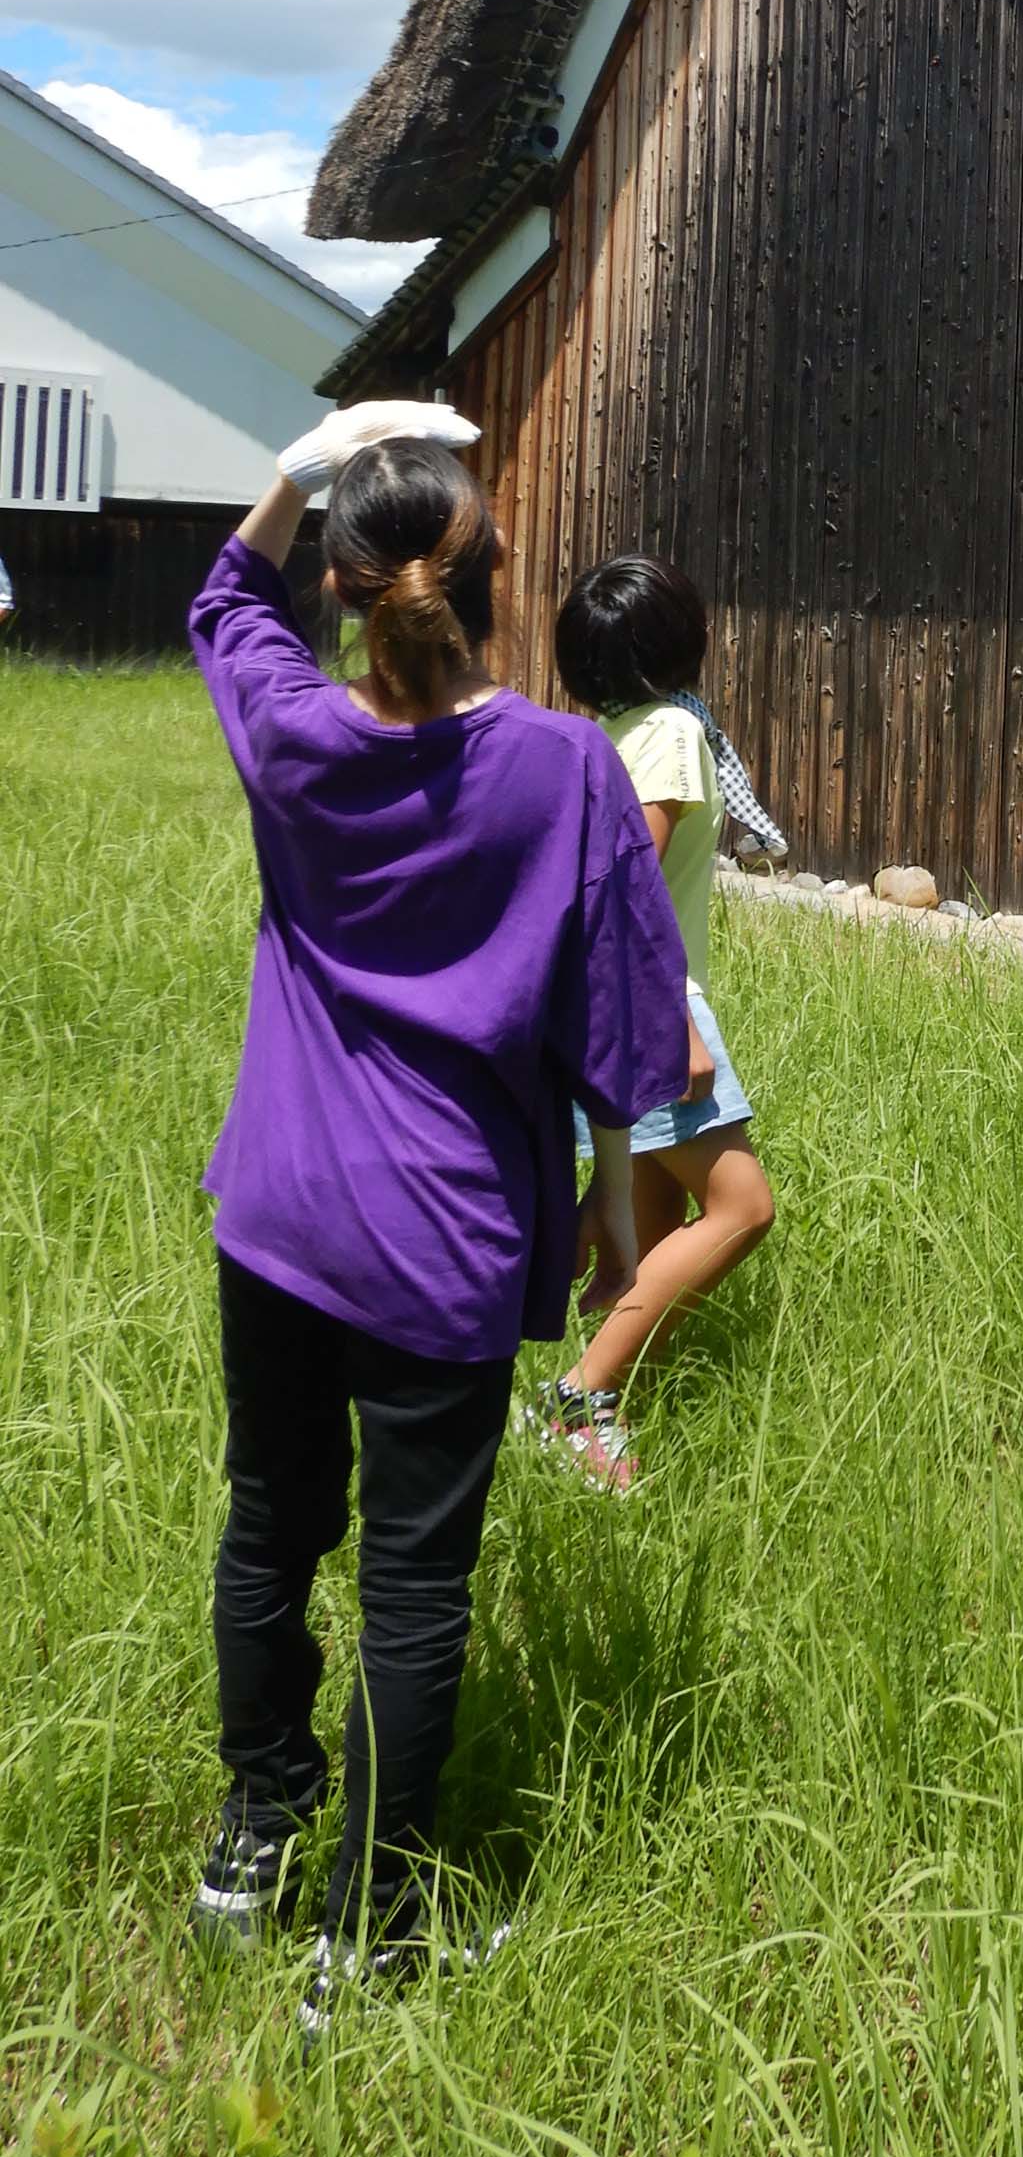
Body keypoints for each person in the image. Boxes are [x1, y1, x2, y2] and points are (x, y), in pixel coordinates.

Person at [186, 405, 689, 2020]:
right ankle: (368, 1930)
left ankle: (251, 1836)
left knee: (271, 1525)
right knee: (412, 1582)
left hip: (275, 1211)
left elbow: (221, 603)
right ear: (489, 578)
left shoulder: (295, 734)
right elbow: (629, 1043)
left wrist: (306, 452)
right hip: (444, 1236)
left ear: (347, 584)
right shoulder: (565, 766)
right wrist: (608, 1197)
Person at [540, 558, 780, 1490]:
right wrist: (673, 1026)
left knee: (654, 1221)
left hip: (607, 1010)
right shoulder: (675, 729)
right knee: (742, 1209)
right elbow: (623, 881)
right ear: (681, 641)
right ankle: (577, 1400)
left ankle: (608, 1400)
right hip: (649, 1005)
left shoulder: (607, 736)